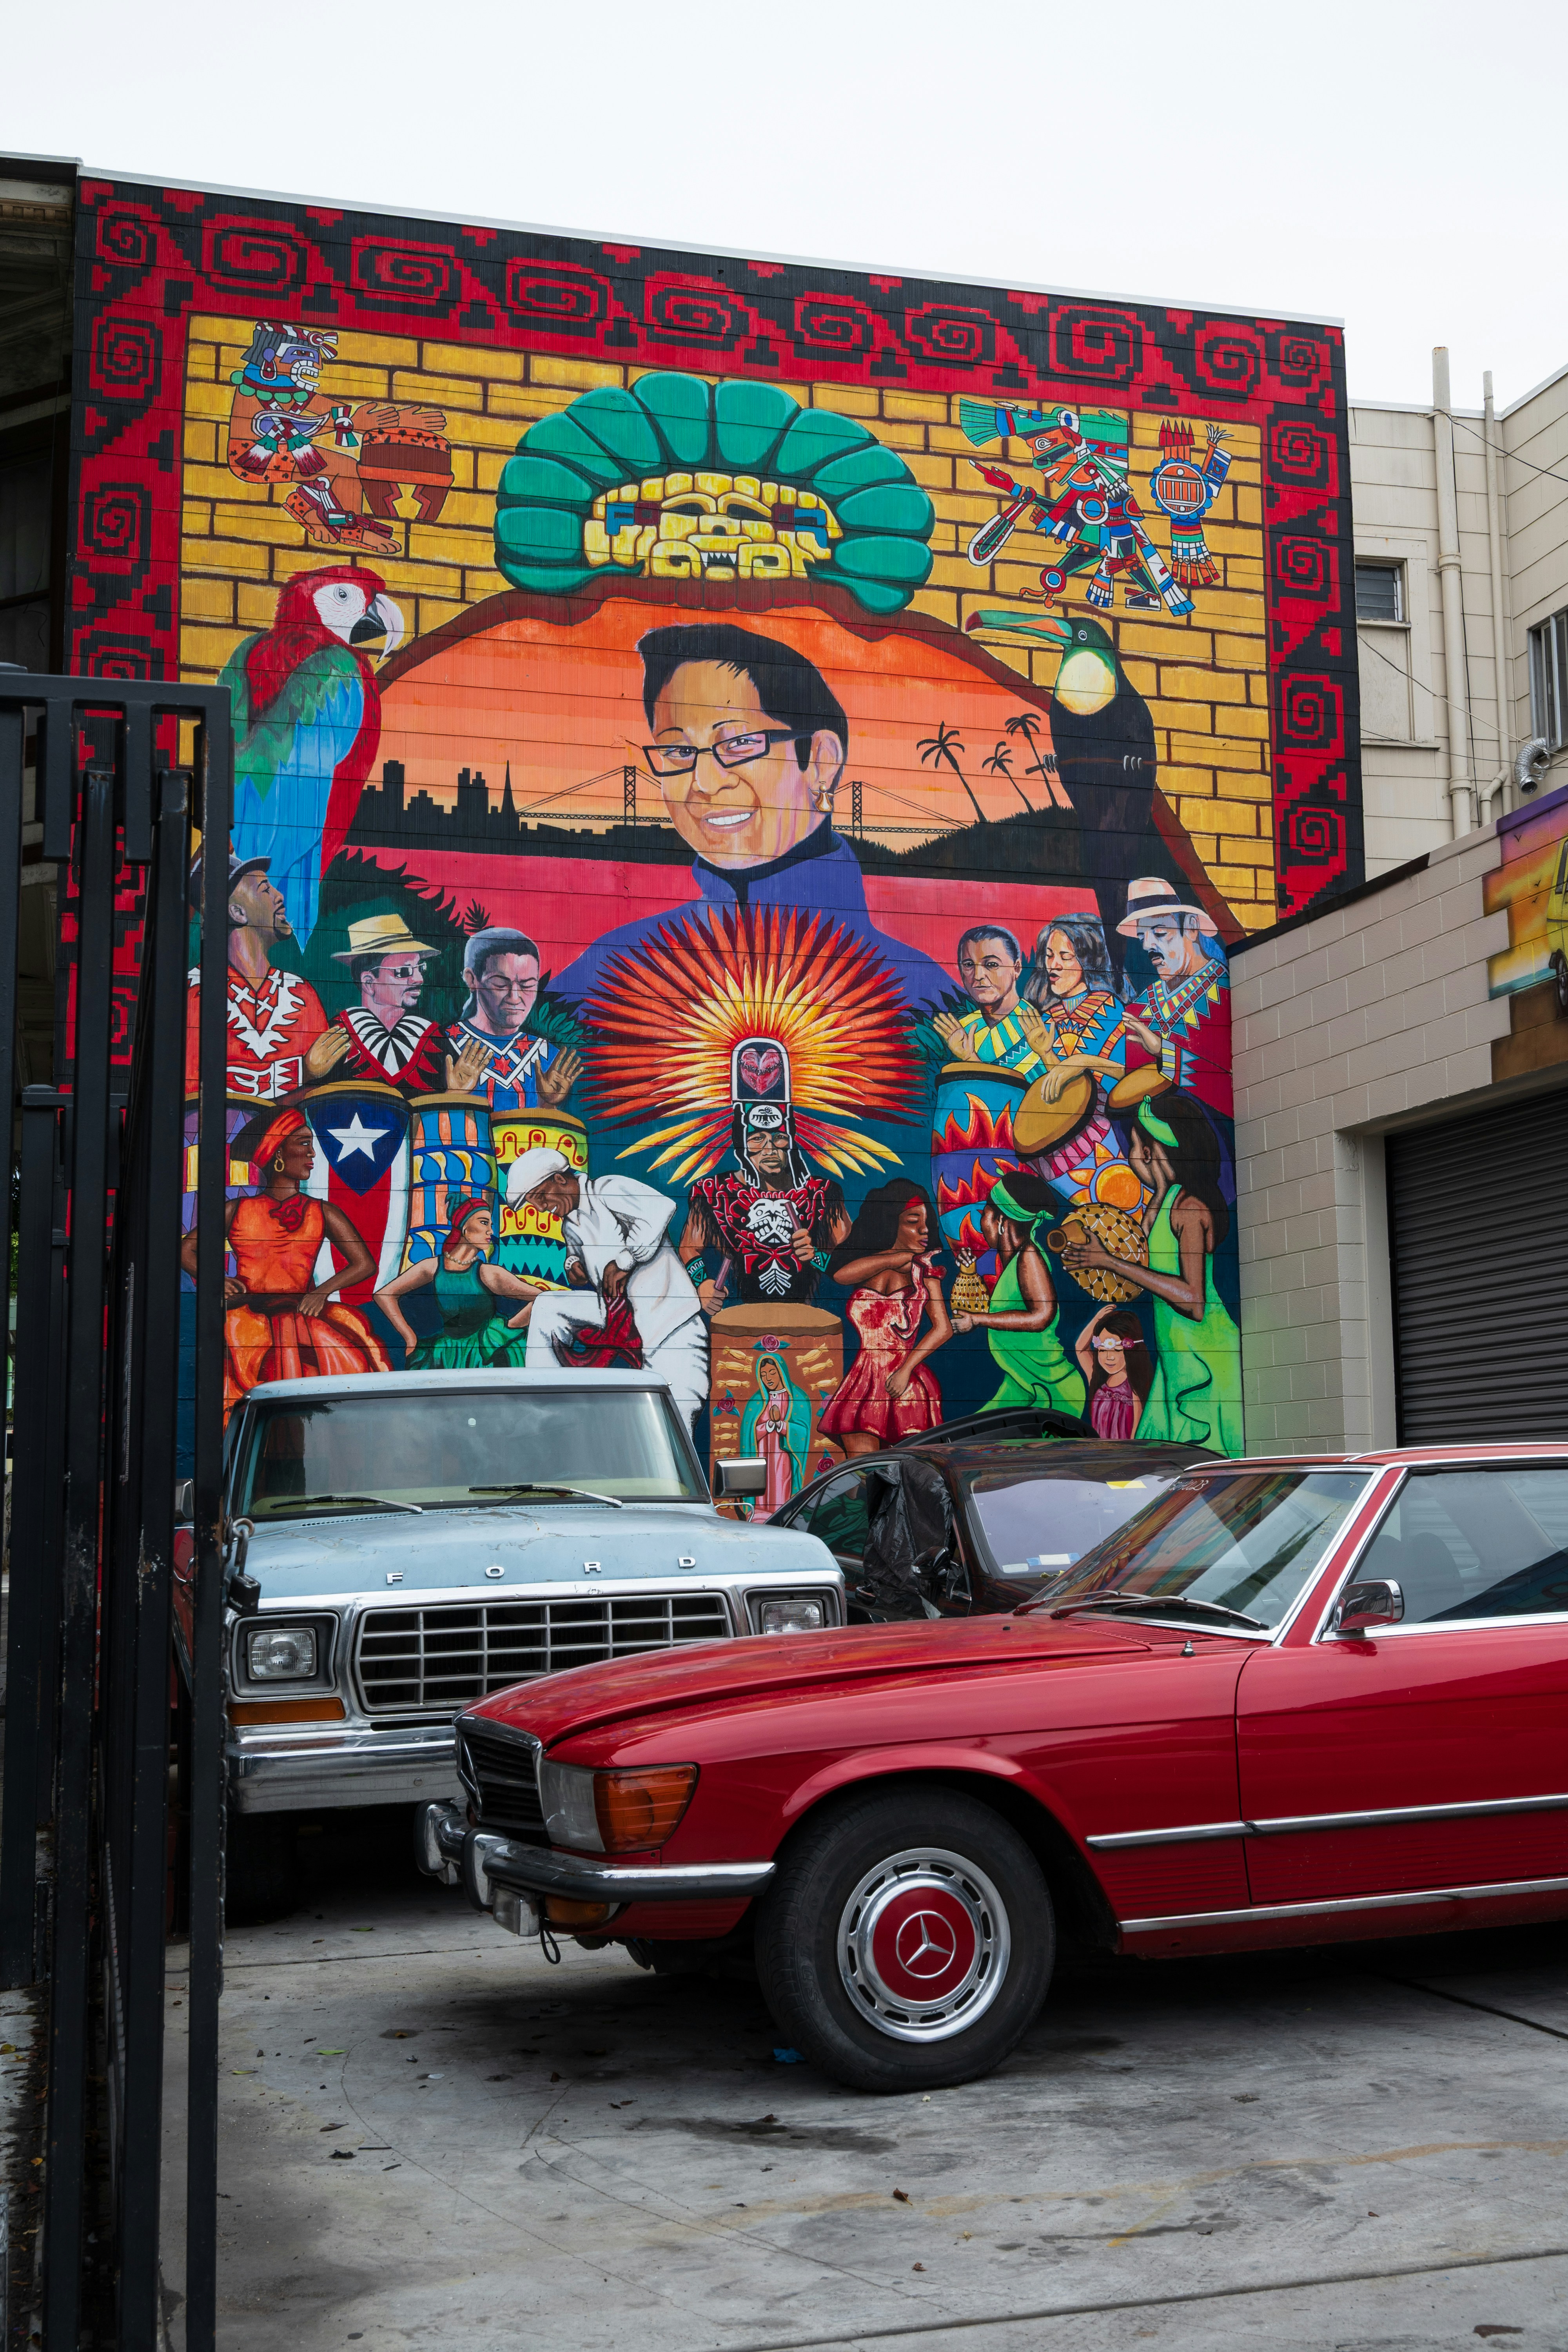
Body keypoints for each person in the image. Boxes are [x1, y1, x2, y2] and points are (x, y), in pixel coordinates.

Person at [555, 624, 949, 1015]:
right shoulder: (610, 978)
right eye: (677, 749)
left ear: (819, 761)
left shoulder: (923, 1001)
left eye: (739, 743)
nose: (705, 783)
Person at [1059, 1089, 1242, 1454]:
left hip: (1208, 1355)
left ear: (1149, 1150)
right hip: (1177, 1356)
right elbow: (1137, 1266)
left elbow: (1194, 1300)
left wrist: (1108, 1262)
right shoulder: (1162, 1203)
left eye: (1133, 1145)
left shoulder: (1190, 1207)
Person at [178, 1105, 388, 1416]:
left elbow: (364, 1264)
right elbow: (185, 1251)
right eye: (303, 1143)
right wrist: (217, 1280)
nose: (313, 1153)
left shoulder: (323, 1211)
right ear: (277, 1153)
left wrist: (321, 1292)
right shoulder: (236, 1210)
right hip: (249, 1321)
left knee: (337, 1381)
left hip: (304, 1316)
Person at [505, 1149, 707, 1431]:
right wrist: (573, 1265)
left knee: (676, 1421)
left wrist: (626, 1261)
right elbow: (576, 1255)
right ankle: (544, 1402)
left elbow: (661, 1208)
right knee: (549, 1306)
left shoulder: (608, 1189)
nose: (540, 1209)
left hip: (669, 1324)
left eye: (540, 1197)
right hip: (619, 1316)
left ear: (560, 1180)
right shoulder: (572, 1225)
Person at [183, 849, 330, 1103]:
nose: (280, 896)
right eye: (265, 889)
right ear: (238, 913)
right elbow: (194, 1095)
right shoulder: (193, 994)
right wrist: (302, 1071)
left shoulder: (303, 995)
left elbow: (317, 1104)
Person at [818, 1180, 951, 1455]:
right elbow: (841, 1275)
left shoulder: (926, 1274)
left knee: (906, 1472)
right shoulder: (868, 1266)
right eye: (914, 1221)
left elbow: (943, 1329)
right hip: (862, 1381)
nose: (925, 1229)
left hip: (904, 1383)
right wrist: (893, 1258)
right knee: (860, 1472)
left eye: (927, 1222)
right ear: (891, 1223)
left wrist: (905, 1371)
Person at [681, 1097, 850, 1312]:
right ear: (741, 1143)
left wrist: (816, 1256)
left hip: (807, 1318)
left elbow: (845, 1266)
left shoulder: (822, 1193)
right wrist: (702, 1284)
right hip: (735, 1317)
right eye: (757, 1139)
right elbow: (689, 1247)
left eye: (779, 1138)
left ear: (791, 1142)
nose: (770, 1149)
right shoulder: (714, 1191)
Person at [305, 913, 491, 1098]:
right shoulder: (334, 1037)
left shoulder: (433, 1039)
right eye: (404, 972)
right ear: (369, 983)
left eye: (420, 968)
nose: (419, 979)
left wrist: (454, 1094)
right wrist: (308, 1073)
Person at [951, 1168, 1085, 1418]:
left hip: (1051, 1390)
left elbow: (1042, 1315)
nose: (981, 1224)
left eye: (985, 1215)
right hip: (1021, 1381)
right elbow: (1008, 1307)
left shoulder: (1029, 1257)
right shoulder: (1015, 1260)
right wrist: (969, 1274)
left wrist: (977, 1320)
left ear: (1001, 1221)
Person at [371, 1196, 545, 1369]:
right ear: (464, 1227)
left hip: (488, 1352)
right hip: (447, 1354)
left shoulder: (490, 1274)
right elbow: (384, 1295)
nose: (491, 1231)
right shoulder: (432, 1267)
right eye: (484, 1223)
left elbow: (544, 1299)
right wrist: (409, 1337)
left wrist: (509, 1327)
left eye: (491, 1225)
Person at [1115, 876, 1232, 1120]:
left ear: (1190, 927)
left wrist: (1164, 1053)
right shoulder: (1139, 1010)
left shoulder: (1227, 994)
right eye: (1141, 937)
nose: (1148, 946)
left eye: (1159, 933)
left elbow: (1231, 1088)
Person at [444, 927, 581, 1111]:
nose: (515, 997)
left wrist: (549, 1105)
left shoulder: (548, 1056)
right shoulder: (440, 1046)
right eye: (501, 984)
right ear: (472, 980)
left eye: (527, 985)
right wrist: (453, 1097)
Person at [932, 924, 1049, 1075]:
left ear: (1017, 969)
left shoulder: (1044, 1026)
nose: (978, 975)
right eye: (969, 965)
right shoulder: (960, 1032)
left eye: (992, 964)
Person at [739, 1352, 813, 1519]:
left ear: (781, 1372)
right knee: (762, 1491)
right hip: (761, 1456)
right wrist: (768, 1425)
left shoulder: (798, 1398)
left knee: (781, 1486)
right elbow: (748, 1436)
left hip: (783, 1456)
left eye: (773, 1373)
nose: (768, 1378)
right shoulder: (756, 1401)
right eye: (763, 1375)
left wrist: (781, 1425)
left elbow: (803, 1432)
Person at [1074, 1304, 1153, 1441]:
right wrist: (1097, 1320)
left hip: (1123, 1453)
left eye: (1117, 1350)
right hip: (1101, 1452)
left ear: (1131, 1349)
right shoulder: (1097, 1378)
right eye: (1102, 1350)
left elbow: (1136, 1431)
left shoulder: (1135, 1386)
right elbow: (1080, 1348)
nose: (1109, 1358)